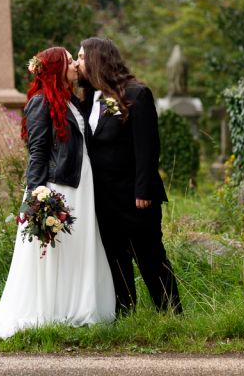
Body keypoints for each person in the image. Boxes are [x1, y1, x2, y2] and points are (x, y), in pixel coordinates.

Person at [0, 47, 115, 338]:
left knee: (76, 250)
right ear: (56, 68)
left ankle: (78, 305)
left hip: (80, 187)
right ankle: (54, 309)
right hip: (57, 187)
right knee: (56, 252)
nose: (74, 65)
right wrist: (37, 196)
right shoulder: (40, 102)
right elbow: (37, 151)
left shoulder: (71, 100)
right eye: (69, 60)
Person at [77, 37, 182, 316]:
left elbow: (148, 148)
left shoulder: (136, 94)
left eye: (81, 57)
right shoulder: (89, 101)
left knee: (150, 258)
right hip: (103, 198)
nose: (78, 63)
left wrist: (144, 191)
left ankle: (171, 313)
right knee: (115, 260)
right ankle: (125, 314)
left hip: (136, 198)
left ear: (97, 59)